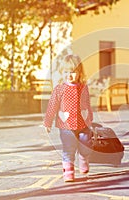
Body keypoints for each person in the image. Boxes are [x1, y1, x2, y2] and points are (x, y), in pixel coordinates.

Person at [43, 54, 93, 182]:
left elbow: (87, 104)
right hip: (66, 126)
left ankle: (83, 157)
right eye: (66, 72)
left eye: (73, 72)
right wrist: (47, 122)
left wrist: (90, 119)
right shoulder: (59, 89)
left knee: (85, 144)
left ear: (79, 72)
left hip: (83, 124)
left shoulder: (83, 88)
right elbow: (52, 106)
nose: (69, 75)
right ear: (61, 72)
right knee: (68, 148)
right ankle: (69, 171)